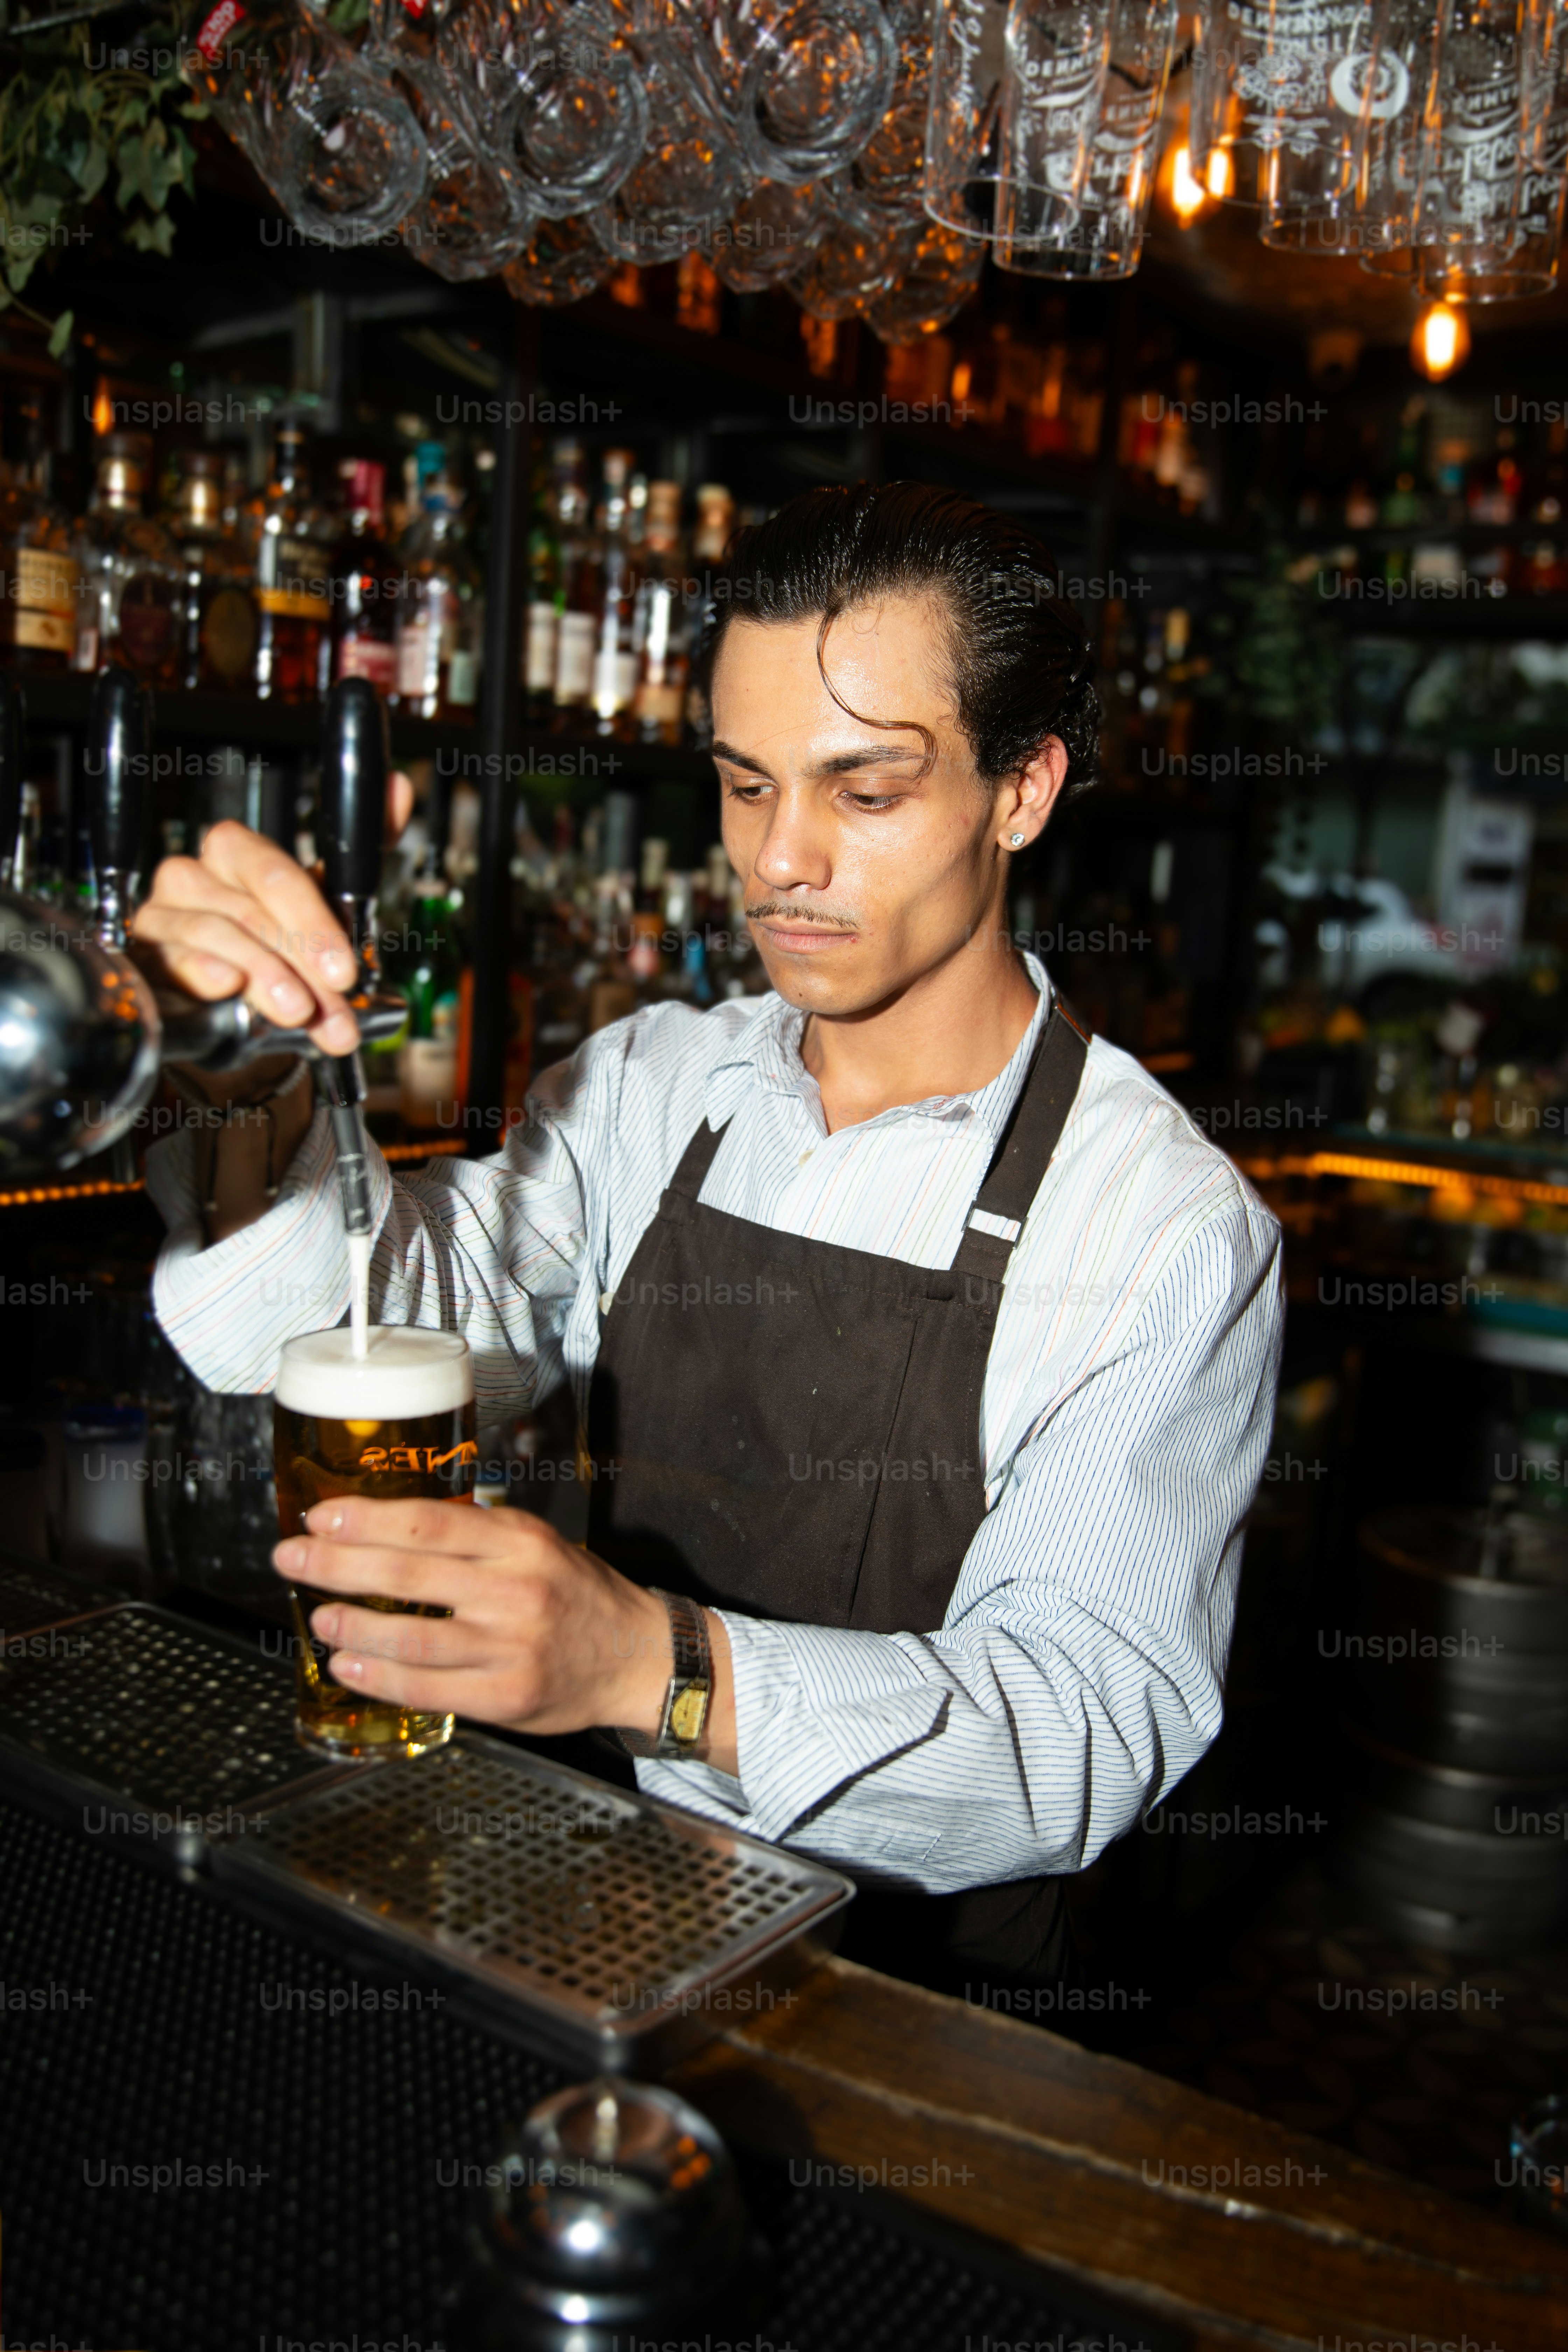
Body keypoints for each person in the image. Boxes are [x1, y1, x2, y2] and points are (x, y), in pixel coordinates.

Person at [133, 482, 1283, 2000]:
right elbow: (363, 1320)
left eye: (863, 794)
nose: (780, 865)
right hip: (583, 1913)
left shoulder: (1163, 1229)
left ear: (1023, 790)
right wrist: (235, 1092)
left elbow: (1075, 1732)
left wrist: (651, 1670)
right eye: (746, 787)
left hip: (909, 2007)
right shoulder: (652, 1086)